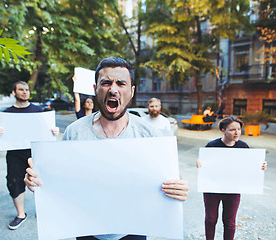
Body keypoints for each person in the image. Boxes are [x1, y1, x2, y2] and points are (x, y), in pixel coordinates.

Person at [25, 57, 189, 240]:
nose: (113, 89)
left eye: (121, 83)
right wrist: (38, 182)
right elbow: (59, 180)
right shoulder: (75, 132)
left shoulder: (149, 135)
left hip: (133, 229)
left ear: (132, 91)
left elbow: (167, 181)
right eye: (106, 82)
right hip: (86, 228)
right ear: (95, 88)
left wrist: (178, 188)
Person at [0, 81, 59, 230]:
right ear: (14, 92)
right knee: (14, 182)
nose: (25, 92)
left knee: (40, 182)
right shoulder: (7, 114)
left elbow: (48, 132)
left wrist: (54, 132)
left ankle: (41, 211)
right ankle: (21, 215)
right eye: (21, 89)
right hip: (14, 155)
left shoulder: (38, 111)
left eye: (27, 90)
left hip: (36, 152)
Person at [196, 116, 267, 240]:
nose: (237, 133)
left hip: (233, 190)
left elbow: (248, 167)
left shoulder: (243, 147)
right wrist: (200, 164)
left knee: (229, 222)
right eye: (232, 130)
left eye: (239, 129)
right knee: (211, 219)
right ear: (223, 130)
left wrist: (260, 167)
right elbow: (204, 165)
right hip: (212, 189)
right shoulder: (212, 146)